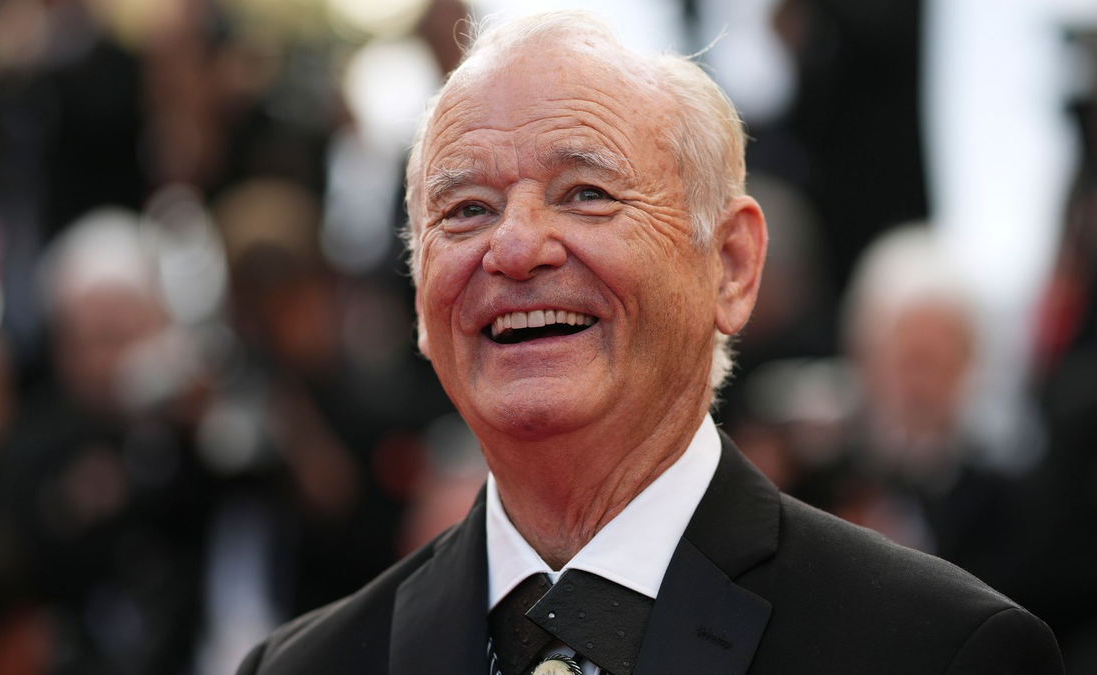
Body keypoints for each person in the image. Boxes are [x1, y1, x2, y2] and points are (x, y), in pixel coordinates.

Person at [238, 11, 1062, 675]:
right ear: (421, 296)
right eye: (466, 210)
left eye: (586, 193)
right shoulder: (305, 665)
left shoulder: (936, 651)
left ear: (731, 266)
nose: (515, 247)